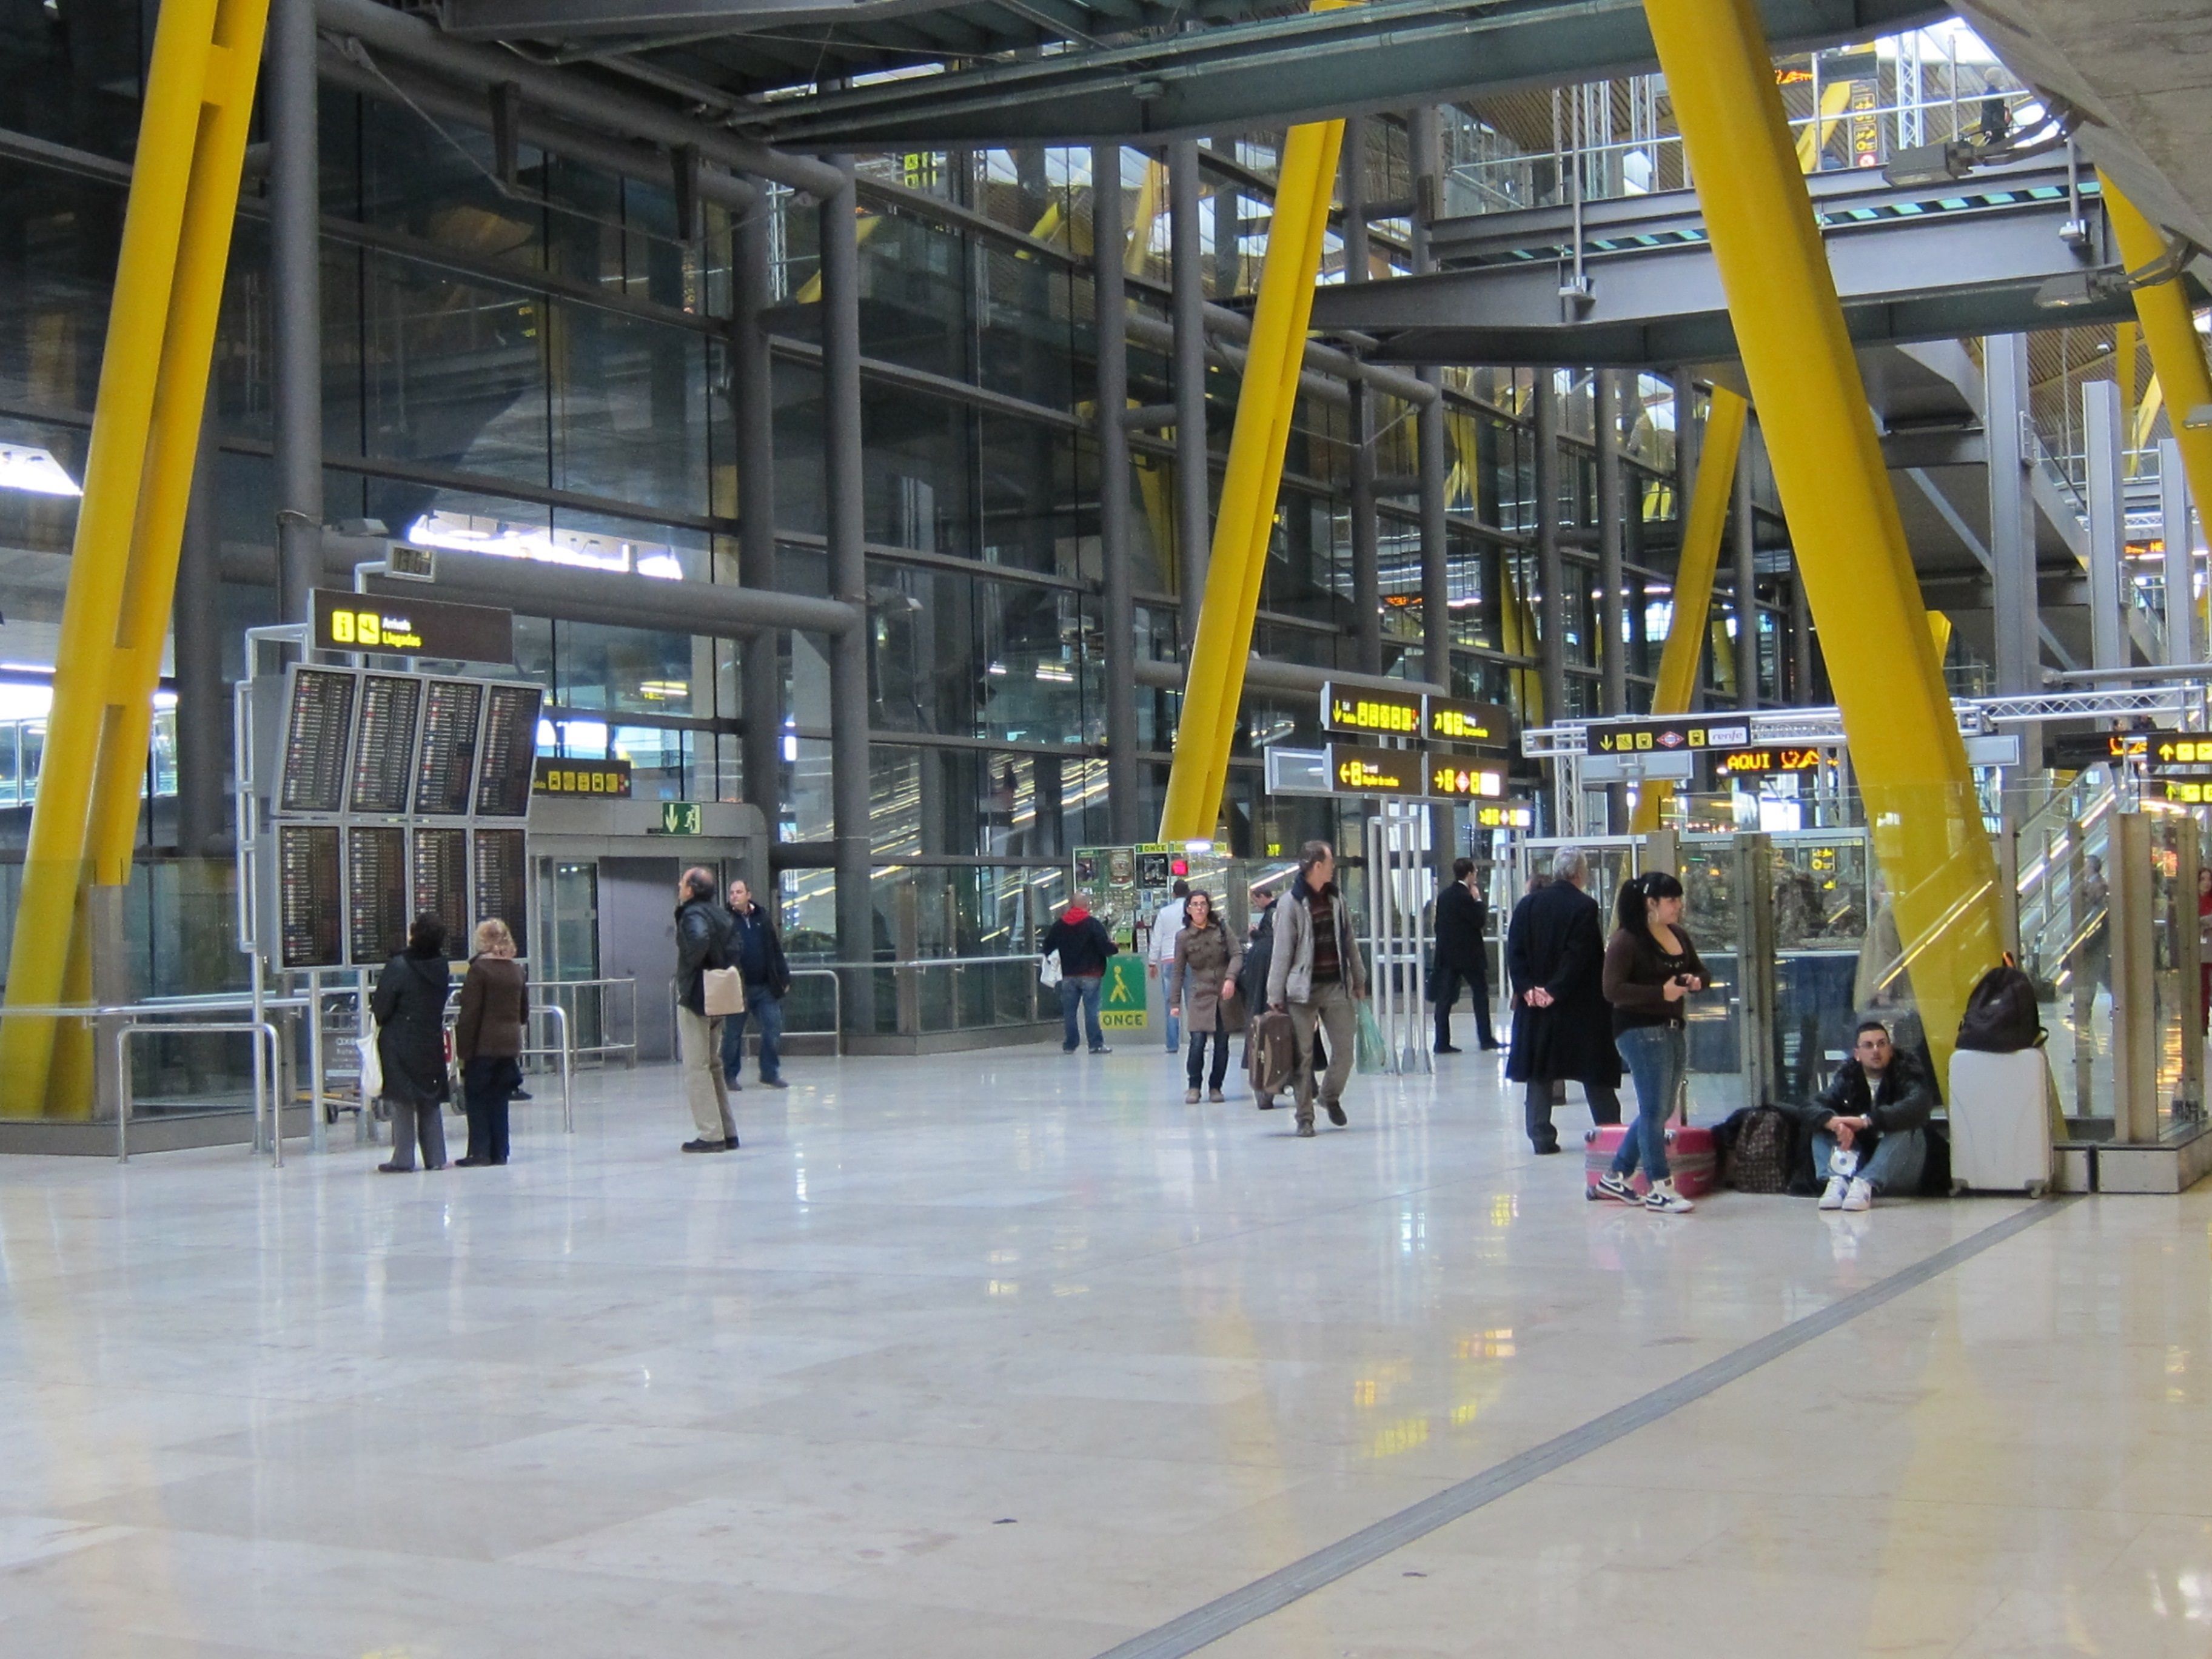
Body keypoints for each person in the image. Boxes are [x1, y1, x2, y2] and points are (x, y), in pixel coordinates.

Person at [1590, 871, 1708, 1215]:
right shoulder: (1627, 940)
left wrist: (1696, 981)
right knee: (1655, 1110)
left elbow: (1701, 970)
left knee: (1659, 1110)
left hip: (1672, 1027)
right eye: (1671, 900)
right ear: (1650, 903)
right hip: (1639, 1031)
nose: (1678, 906)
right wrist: (1660, 993)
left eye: (1678, 899)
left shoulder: (1678, 935)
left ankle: (1616, 1175)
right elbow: (1612, 989)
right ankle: (1660, 1185)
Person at [1504, 847, 1623, 1155]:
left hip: (1534, 1005)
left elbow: (1515, 950)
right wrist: (1555, 990)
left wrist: (1528, 988)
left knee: (1540, 1070)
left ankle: (1540, 1136)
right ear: (1580, 874)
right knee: (1593, 1070)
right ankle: (1610, 1131)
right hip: (1578, 1006)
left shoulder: (1527, 905)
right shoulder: (1584, 907)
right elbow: (1580, 955)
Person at [1266, 840, 1370, 1138]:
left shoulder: (1337, 899)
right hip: (1301, 991)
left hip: (1336, 985)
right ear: (1317, 866)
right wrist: (1275, 995)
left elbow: (1349, 941)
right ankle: (1304, 1118)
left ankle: (1329, 1096)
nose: (1334, 867)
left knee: (1345, 1050)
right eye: (1330, 862)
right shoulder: (1290, 903)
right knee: (1303, 1057)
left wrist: (1359, 979)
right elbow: (1282, 952)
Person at [1798, 1018, 1934, 1212]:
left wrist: (1867, 1121)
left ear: (1891, 1050)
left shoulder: (1908, 1075)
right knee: (1823, 1122)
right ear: (1857, 1054)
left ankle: (1865, 1182)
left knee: (1905, 1126)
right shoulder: (1848, 1079)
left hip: (1902, 1166)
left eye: (1882, 1044)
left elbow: (1918, 1105)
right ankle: (1837, 1181)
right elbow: (1810, 1106)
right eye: (1868, 1046)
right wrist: (1835, 1124)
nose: (1876, 1051)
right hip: (1859, 1162)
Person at [372, 911, 452, 1174]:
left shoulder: (399, 966)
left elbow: (382, 1008)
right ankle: (436, 1157)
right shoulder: (441, 966)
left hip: (399, 1040)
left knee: (402, 1098)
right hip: (430, 1038)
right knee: (430, 1098)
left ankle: (403, 1158)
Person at [674, 866, 739, 1153]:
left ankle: (711, 1134)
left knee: (697, 1067)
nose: (679, 887)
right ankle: (727, 1131)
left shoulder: (692, 914)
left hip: (697, 998)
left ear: (691, 890)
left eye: (682, 883)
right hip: (719, 995)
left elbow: (699, 940)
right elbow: (737, 948)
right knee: (714, 1065)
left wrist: (691, 966)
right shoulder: (723, 915)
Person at [454, 918, 528, 1167]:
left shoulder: (480, 970)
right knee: (499, 1098)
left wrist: (463, 1049)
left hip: (483, 1045)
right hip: (509, 1045)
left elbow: (471, 1014)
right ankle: (500, 1152)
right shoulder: (516, 970)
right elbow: (524, 1012)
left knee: (477, 1097)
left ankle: (480, 1152)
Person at [1171, 889, 1244, 1103]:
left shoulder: (1222, 929)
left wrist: (1231, 978)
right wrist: (1174, 1002)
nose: (1200, 908)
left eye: (1203, 904)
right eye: (1195, 904)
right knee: (1197, 1043)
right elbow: (1178, 971)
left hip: (1224, 995)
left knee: (1222, 1044)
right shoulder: (1183, 937)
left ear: (1209, 907)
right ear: (1188, 909)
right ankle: (1194, 1086)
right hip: (1200, 995)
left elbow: (1237, 954)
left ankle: (1216, 1087)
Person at [720, 879, 793, 1090]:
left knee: (773, 1028)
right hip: (737, 989)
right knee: (733, 1034)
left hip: (764, 987)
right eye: (732, 893)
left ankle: (769, 1073)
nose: (735, 896)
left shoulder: (762, 918)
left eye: (739, 892)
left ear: (748, 895)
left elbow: (775, 949)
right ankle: (729, 1075)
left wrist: (784, 976)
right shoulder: (725, 921)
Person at [1431, 856, 1500, 1053]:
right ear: (1469, 874)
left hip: (1448, 955)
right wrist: (1478, 900)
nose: (1476, 875)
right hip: (1469, 956)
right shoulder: (1466, 896)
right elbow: (1479, 921)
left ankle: (1441, 1041)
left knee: (1444, 1000)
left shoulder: (1444, 896)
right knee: (1480, 994)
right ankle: (1485, 1038)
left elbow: (1438, 926)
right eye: (1475, 872)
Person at [1043, 892, 1116, 1054]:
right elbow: (1104, 947)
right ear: (1087, 905)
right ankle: (1095, 1044)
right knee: (1091, 1011)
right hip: (1091, 973)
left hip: (1068, 974)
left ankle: (1070, 1044)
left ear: (1071, 905)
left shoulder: (1059, 926)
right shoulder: (1093, 924)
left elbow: (1047, 947)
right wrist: (1114, 947)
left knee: (1070, 1012)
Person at [1151, 879, 1190, 1053]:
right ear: (1189, 893)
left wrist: (1152, 962)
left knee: (1172, 1003)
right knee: (1193, 1002)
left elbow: (1156, 938)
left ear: (1173, 894)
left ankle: (1172, 1044)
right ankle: (1197, 1039)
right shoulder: (1193, 911)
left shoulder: (1164, 912)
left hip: (1169, 960)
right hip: (1191, 960)